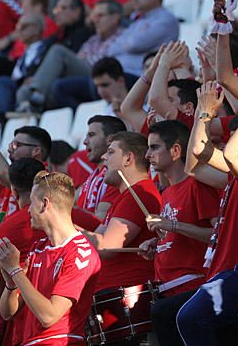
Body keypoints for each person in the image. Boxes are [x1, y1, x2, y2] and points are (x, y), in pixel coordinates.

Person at [176, 83, 238, 345]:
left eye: (235, 137)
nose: (227, 144)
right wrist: (202, 111)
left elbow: (205, 154)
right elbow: (195, 165)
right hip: (236, 269)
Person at [0, 157, 100, 346]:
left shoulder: (81, 251)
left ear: (45, 204)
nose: (27, 211)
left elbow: (49, 316)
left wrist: (15, 270)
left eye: (31, 203)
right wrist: (11, 282)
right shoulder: (38, 249)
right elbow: (7, 312)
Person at [141, 120, 220, 296]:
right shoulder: (167, 192)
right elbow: (179, 234)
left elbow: (219, 235)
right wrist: (157, 244)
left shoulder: (197, 185)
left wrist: (173, 226)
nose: (147, 155)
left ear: (176, 151)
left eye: (154, 147)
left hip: (192, 286)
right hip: (166, 287)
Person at [79, 132, 161, 293]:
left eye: (110, 152)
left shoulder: (140, 193)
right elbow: (96, 240)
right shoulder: (126, 195)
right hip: (114, 293)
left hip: (125, 297)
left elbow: (106, 247)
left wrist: (62, 224)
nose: (104, 157)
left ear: (128, 159)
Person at [76, 115, 127, 219]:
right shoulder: (93, 176)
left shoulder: (116, 174)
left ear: (110, 140)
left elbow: (100, 220)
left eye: (91, 135)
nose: (85, 142)